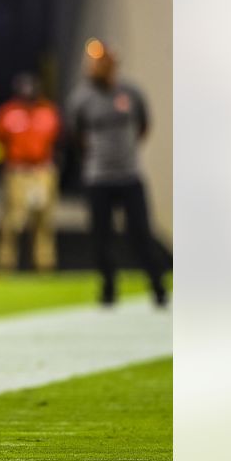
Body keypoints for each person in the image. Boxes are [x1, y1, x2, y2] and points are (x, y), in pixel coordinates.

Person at [67, 40, 168, 307]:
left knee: (141, 234)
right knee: (101, 237)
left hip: (129, 175)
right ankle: (109, 289)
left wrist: (126, 153)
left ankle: (158, 287)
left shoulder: (131, 93)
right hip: (98, 177)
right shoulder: (82, 98)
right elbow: (76, 134)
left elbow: (144, 126)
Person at [0, 72, 62, 271]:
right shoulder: (8, 112)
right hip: (17, 171)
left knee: (44, 219)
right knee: (12, 220)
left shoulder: (48, 111)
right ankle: (5, 263)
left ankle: (44, 263)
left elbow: (58, 141)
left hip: (42, 171)